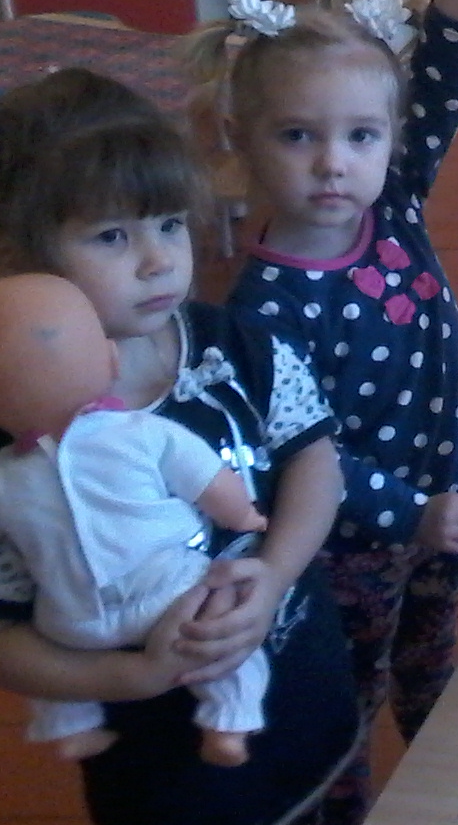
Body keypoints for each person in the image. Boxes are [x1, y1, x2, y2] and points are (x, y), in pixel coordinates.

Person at [186, 0, 458, 824]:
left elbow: (440, 90)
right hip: (349, 548)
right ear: (242, 138)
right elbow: (310, 455)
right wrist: (414, 514)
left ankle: (450, 789)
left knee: (433, 668)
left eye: (361, 137)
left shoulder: (398, 208)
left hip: (440, 503)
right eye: (299, 136)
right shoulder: (261, 311)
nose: (335, 164)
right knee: (352, 696)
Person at [0, 69, 358, 825]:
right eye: (111, 236)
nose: (159, 260)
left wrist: (273, 576)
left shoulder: (239, 344)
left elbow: (315, 460)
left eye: (168, 224)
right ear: (20, 253)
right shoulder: (15, 437)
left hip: (303, 693)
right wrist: (134, 678)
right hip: (163, 767)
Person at [0, 273, 273, 767]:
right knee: (222, 623)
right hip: (167, 593)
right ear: (111, 361)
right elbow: (208, 480)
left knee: (49, 661)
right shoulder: (142, 431)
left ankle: (71, 725)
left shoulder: (6, 478)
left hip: (71, 617)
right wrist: (244, 515)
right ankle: (228, 721)